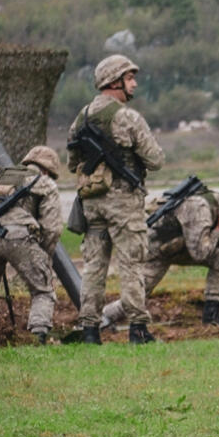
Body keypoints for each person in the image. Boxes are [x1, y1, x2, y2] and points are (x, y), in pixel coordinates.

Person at [67, 53, 165, 345]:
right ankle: (138, 329)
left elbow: (73, 162)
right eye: (130, 78)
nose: (134, 84)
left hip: (93, 203)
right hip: (124, 203)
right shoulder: (128, 117)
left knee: (94, 267)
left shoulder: (80, 118)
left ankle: (89, 330)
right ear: (114, 82)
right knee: (131, 264)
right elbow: (155, 159)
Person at [100, 180, 219, 330]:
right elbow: (200, 254)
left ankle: (211, 316)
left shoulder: (218, 209)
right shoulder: (200, 209)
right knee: (137, 297)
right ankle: (103, 317)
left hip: (179, 247)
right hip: (156, 249)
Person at [0, 145, 63, 343]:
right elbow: (52, 228)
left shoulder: (3, 175)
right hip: (18, 236)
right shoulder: (45, 183)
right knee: (43, 290)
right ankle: (38, 335)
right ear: (48, 170)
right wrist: (44, 256)